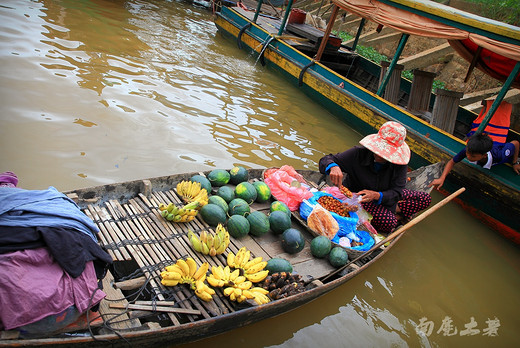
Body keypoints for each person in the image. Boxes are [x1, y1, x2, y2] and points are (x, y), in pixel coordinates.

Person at [319, 121, 431, 234]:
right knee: (389, 222)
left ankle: (393, 211)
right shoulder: (358, 154)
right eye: (378, 151)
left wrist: (377, 195)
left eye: (384, 153)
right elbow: (326, 160)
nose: (378, 155)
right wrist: (333, 166)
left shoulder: (399, 165)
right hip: (360, 199)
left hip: (385, 196)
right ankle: (397, 216)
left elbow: (398, 191)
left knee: (425, 198)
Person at [429, 133, 520, 191]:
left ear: (484, 155)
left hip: (510, 156)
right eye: (467, 153)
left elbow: (515, 143)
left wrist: (514, 163)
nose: (468, 157)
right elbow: (452, 162)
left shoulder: (500, 155)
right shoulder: (469, 150)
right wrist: (442, 178)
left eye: (473, 156)